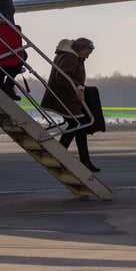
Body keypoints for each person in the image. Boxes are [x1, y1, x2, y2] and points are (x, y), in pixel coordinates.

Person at [40, 37, 100, 172]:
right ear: (81, 49)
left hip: (65, 96)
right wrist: (78, 87)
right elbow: (62, 77)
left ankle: (63, 155)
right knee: (80, 124)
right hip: (63, 97)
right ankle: (81, 160)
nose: (88, 56)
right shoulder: (70, 57)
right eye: (88, 52)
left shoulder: (70, 56)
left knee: (77, 125)